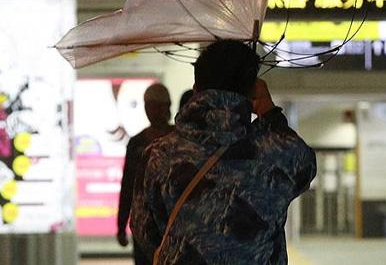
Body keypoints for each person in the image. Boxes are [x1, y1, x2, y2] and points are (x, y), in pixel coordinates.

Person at [130, 40, 317, 264]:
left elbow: (145, 230)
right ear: (252, 90)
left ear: (196, 89)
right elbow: (305, 165)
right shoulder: (274, 154)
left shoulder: (159, 155)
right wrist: (269, 112)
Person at [117, 83, 174, 264]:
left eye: (156, 105)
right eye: (149, 105)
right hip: (151, 223)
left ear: (167, 106)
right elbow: (128, 186)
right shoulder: (137, 143)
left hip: (168, 223)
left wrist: (121, 225)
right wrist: (121, 224)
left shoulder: (178, 140)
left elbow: (128, 186)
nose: (151, 111)